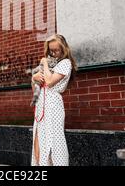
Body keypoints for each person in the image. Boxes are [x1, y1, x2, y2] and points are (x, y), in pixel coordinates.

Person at [31, 34, 77, 166]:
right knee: (38, 138)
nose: (53, 53)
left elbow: (50, 82)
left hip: (53, 104)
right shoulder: (50, 64)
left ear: (64, 49)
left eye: (56, 50)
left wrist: (44, 63)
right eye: (51, 50)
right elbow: (34, 89)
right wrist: (34, 78)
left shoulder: (65, 63)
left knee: (54, 140)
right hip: (41, 103)